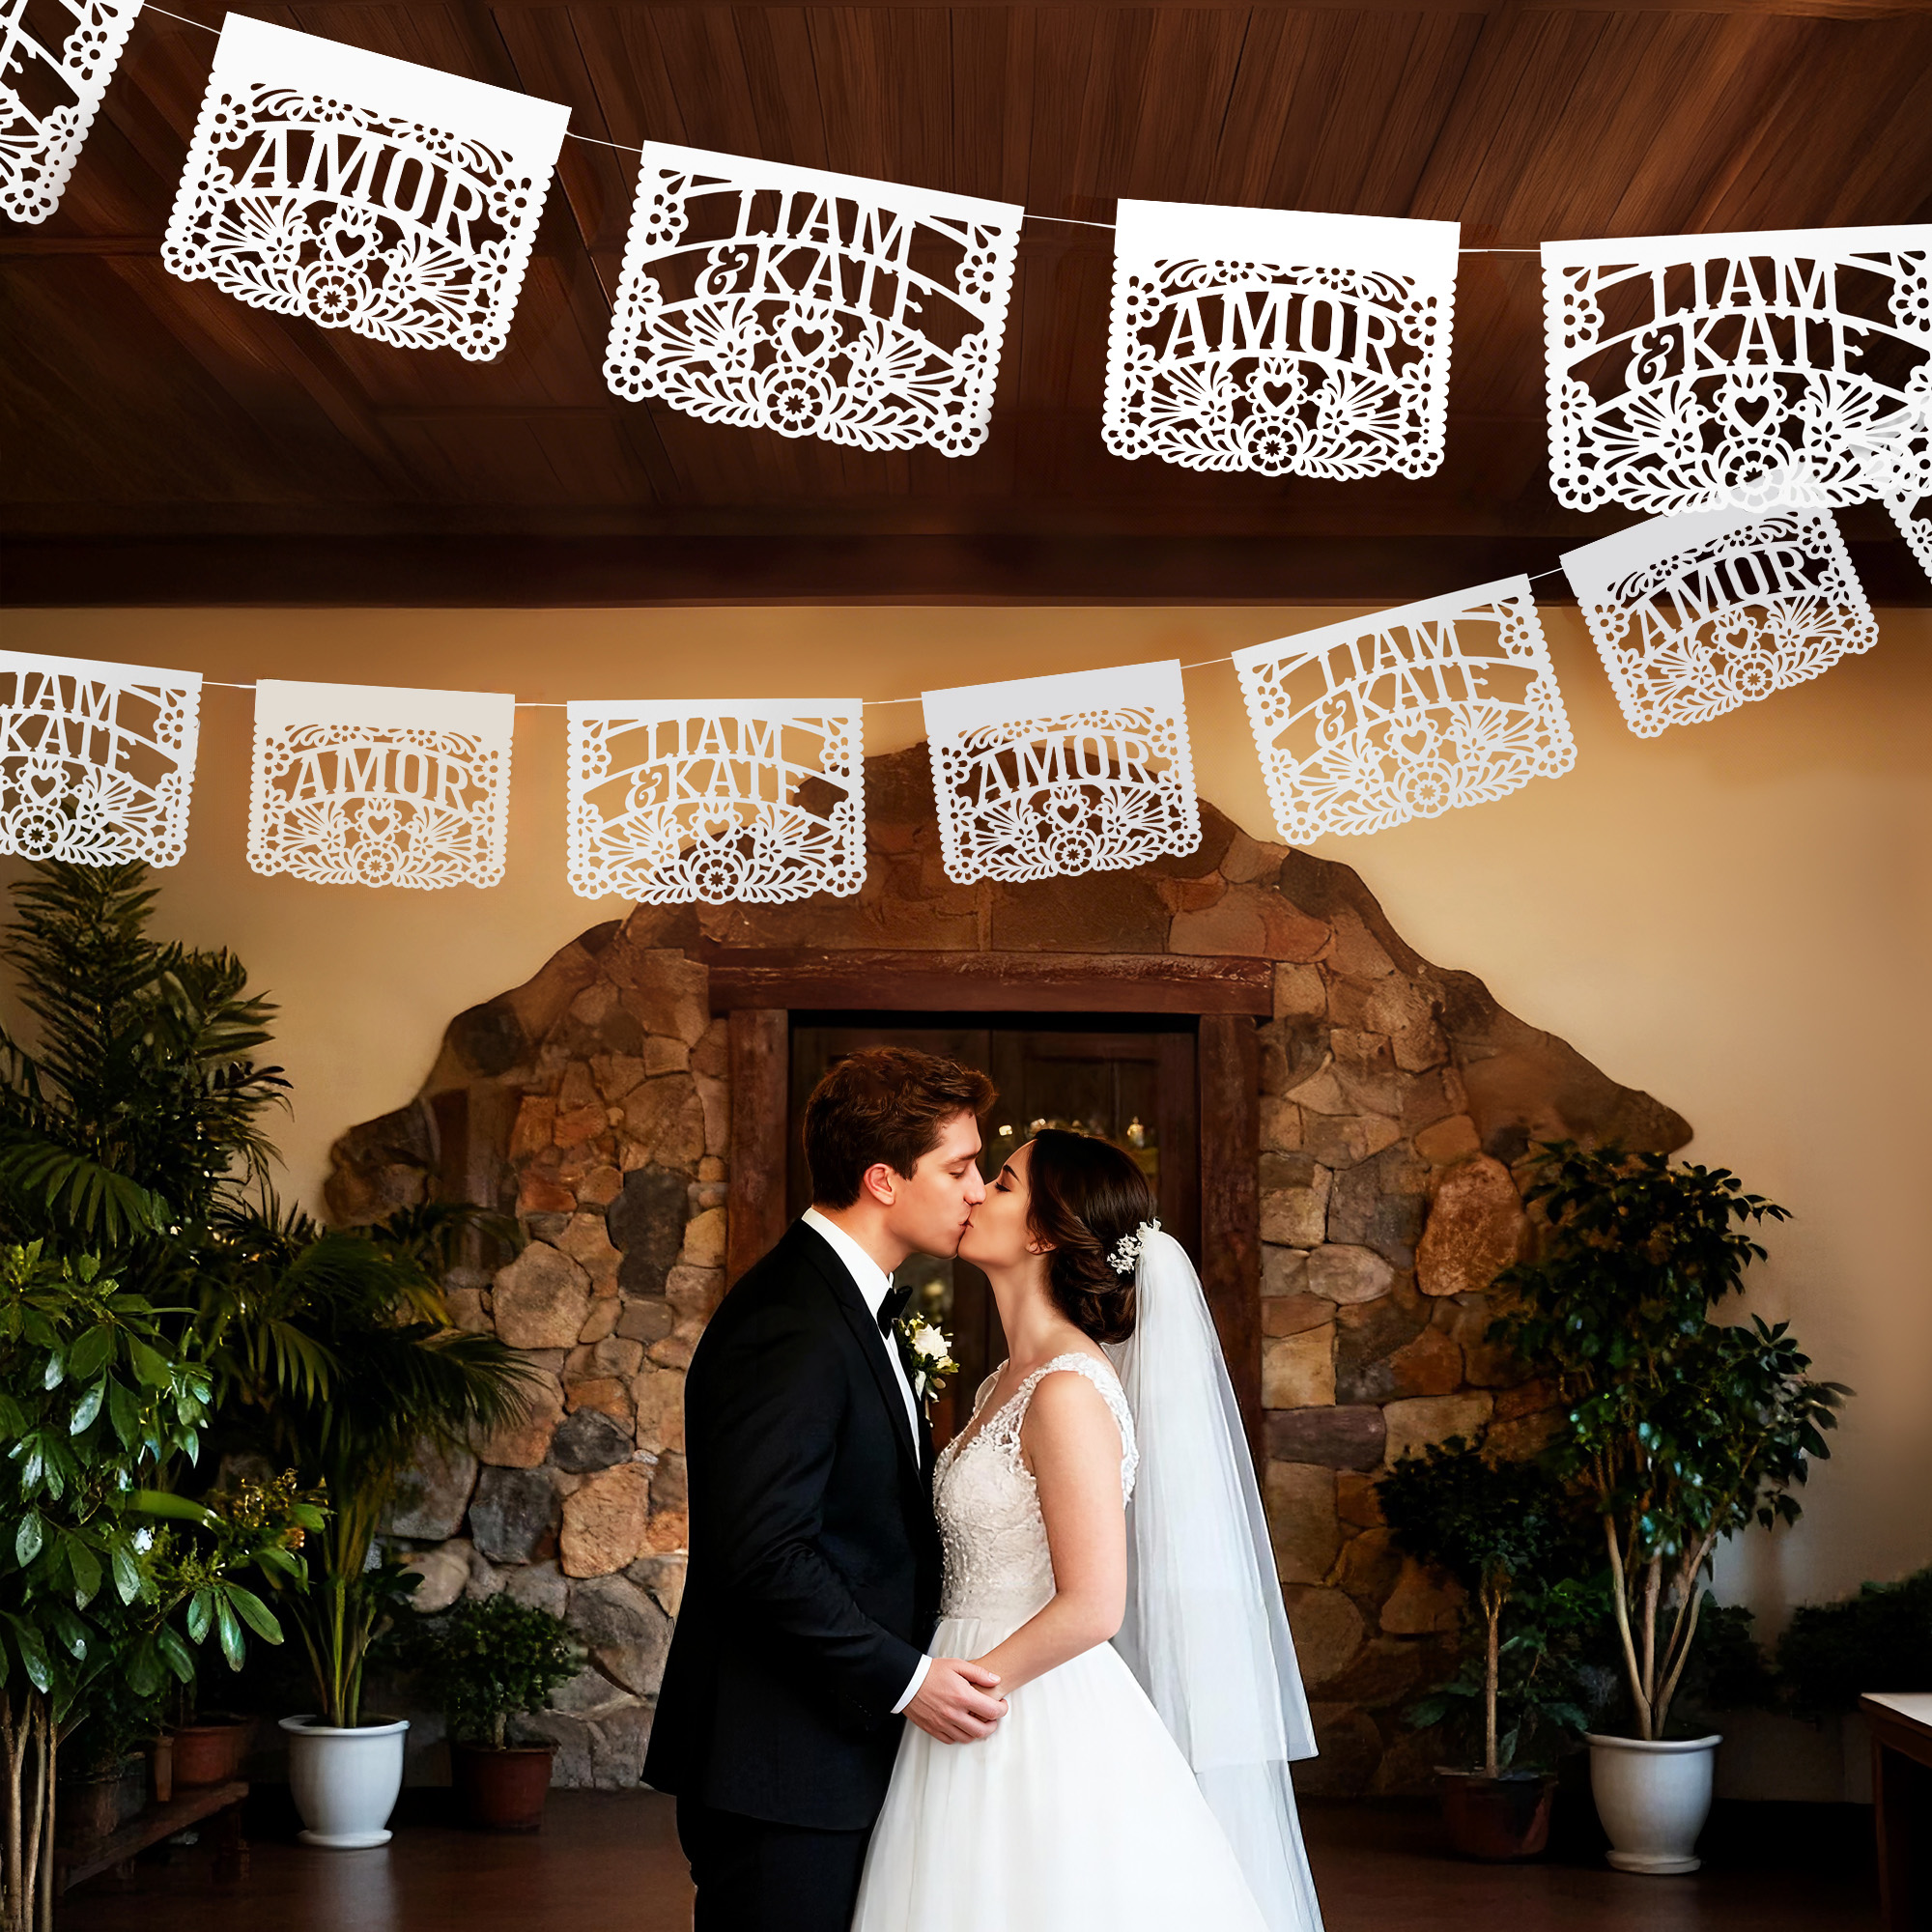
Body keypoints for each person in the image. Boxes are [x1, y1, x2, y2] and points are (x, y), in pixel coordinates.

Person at [852, 1129, 1324, 1932]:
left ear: (1043, 1232)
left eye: (1002, 1182)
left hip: (1021, 1700)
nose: (976, 1192)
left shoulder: (1066, 1390)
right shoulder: (1004, 1382)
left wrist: (957, 1691)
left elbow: (1095, 1603)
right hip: (967, 1677)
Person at [643, 1046, 1009, 1932]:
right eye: (958, 1168)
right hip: (781, 1768)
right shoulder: (790, 1320)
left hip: (830, 1753)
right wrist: (908, 1680)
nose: (975, 1189)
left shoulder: (850, 1302)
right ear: (883, 1179)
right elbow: (763, 1554)